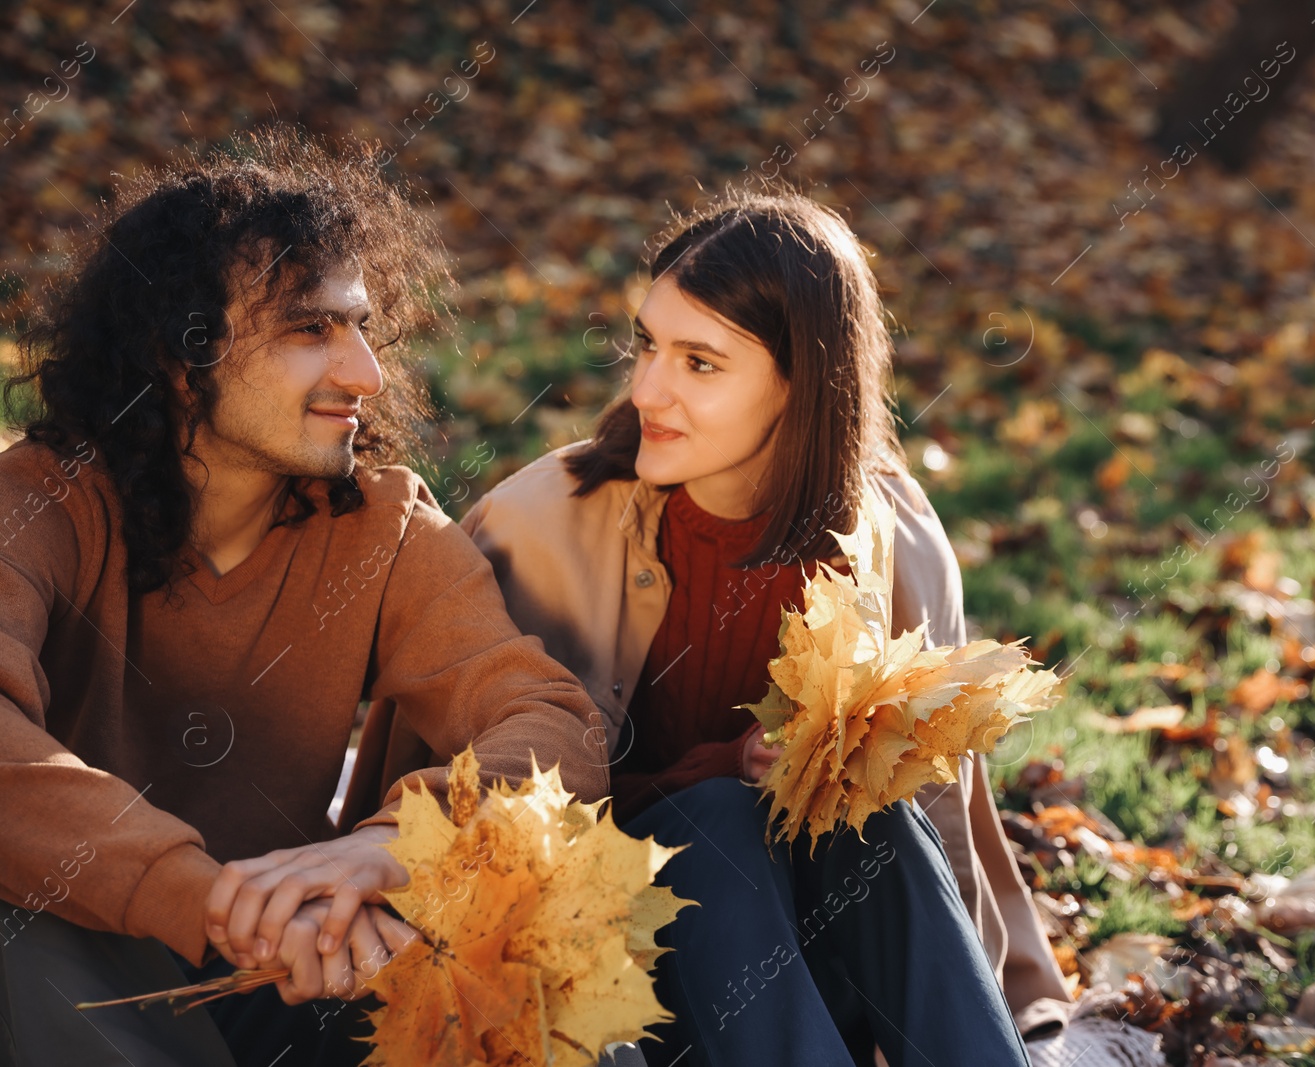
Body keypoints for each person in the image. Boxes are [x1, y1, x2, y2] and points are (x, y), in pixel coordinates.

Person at [0, 128, 607, 1067]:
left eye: (362, 326)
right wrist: (206, 896)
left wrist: (394, 846)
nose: (364, 371)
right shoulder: (42, 501)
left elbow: (551, 720)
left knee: (524, 952)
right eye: (309, 328)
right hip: (85, 974)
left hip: (299, 966)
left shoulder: (384, 522)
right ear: (177, 352)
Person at [449, 188, 1070, 1065]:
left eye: (700, 363)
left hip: (817, 975)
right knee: (720, 819)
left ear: (801, 382)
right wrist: (723, 772)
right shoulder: (540, 528)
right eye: (650, 345)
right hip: (608, 986)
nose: (649, 389)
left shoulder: (889, 537)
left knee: (873, 822)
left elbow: (938, 823)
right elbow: (486, 830)